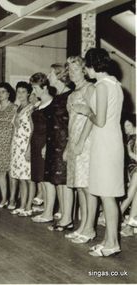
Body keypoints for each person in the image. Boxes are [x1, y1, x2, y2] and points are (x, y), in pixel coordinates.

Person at [73, 48, 124, 256]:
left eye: (86, 66)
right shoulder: (115, 84)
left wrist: (86, 111)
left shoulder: (102, 86)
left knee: (107, 195)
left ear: (94, 65)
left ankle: (112, 243)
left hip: (105, 142)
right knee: (107, 194)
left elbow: (100, 120)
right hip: (109, 141)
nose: (85, 70)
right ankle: (110, 240)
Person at [61, 56, 95, 242]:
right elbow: (71, 124)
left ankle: (89, 228)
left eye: (76, 69)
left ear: (83, 70)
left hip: (86, 142)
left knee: (87, 186)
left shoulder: (90, 89)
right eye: (70, 70)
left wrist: (81, 141)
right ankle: (83, 226)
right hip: (74, 141)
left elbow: (93, 116)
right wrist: (68, 146)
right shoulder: (72, 94)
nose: (72, 73)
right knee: (79, 186)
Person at [45, 63, 73, 231]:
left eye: (51, 74)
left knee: (65, 181)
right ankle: (64, 216)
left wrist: (69, 146)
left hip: (64, 143)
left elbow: (71, 123)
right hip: (54, 142)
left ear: (59, 75)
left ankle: (67, 218)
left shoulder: (69, 96)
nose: (48, 77)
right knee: (58, 182)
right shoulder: (57, 97)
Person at [29, 73, 54, 223]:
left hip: (45, 143)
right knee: (41, 180)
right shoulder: (38, 104)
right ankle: (45, 210)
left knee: (47, 180)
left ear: (45, 87)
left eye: (36, 88)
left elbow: (52, 129)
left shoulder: (52, 104)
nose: (34, 91)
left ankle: (49, 212)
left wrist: (47, 146)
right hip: (36, 143)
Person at [9, 82, 35, 216]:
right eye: (18, 92)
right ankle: (23, 205)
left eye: (23, 92)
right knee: (20, 177)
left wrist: (29, 148)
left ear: (29, 93)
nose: (20, 94)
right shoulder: (18, 108)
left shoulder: (31, 108)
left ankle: (29, 206)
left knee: (28, 178)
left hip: (26, 145)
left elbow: (33, 130)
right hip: (17, 146)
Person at [0, 82, 17, 209]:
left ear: (8, 93)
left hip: (11, 142)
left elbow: (16, 126)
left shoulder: (14, 108)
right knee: (1, 172)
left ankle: (12, 199)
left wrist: (13, 141)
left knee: (11, 172)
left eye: (3, 92)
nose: (1, 94)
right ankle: (3, 199)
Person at [120, 117, 137, 237]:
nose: (127, 130)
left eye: (129, 126)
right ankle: (131, 222)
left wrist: (130, 152)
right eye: (125, 127)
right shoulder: (128, 138)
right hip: (130, 169)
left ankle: (117, 213)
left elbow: (132, 156)